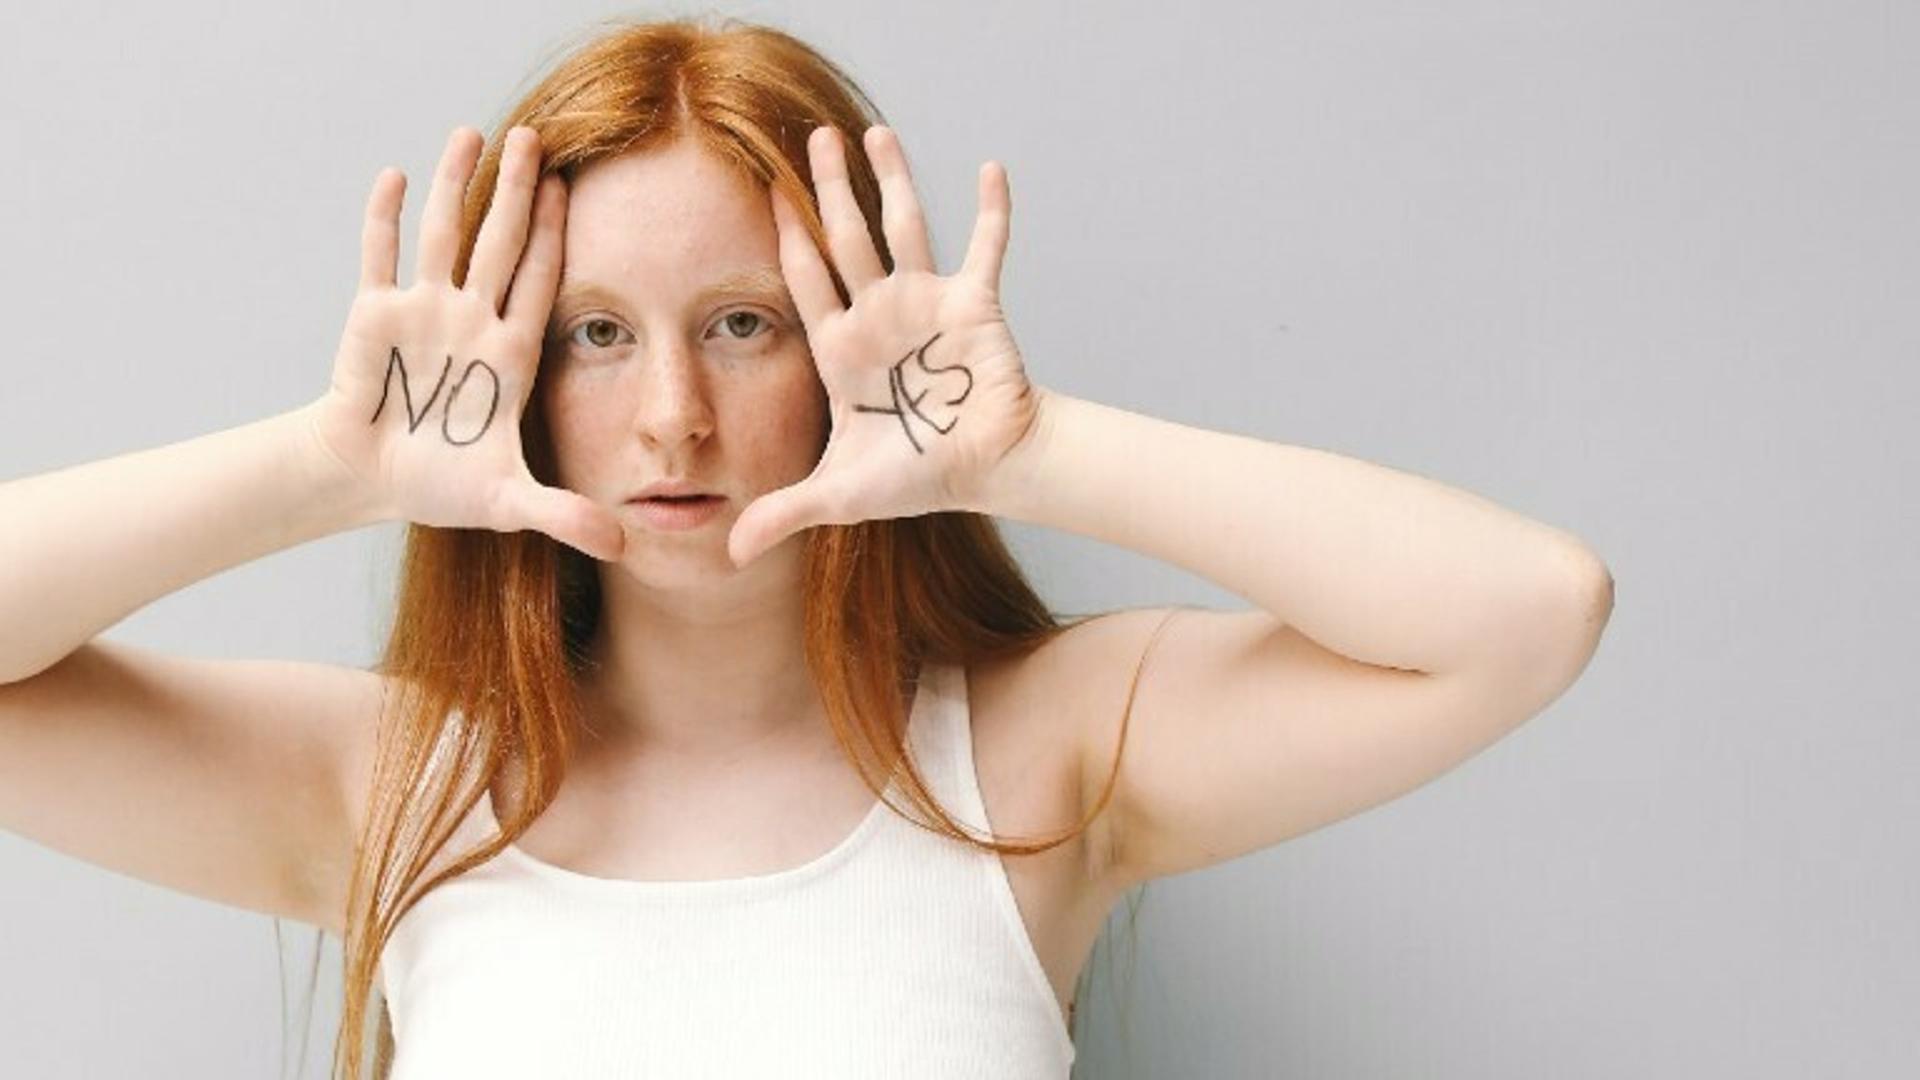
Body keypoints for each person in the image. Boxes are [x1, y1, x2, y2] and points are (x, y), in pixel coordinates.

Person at [0, 14, 1614, 1080]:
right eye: (595, 336)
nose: (673, 419)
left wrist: (1033, 452)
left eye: (743, 324)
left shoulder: (1046, 751)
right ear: (513, 368)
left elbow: (1529, 611)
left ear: (840, 338)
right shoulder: (391, 784)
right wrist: (325, 469)